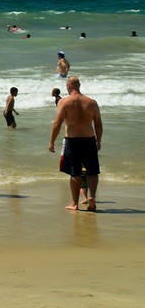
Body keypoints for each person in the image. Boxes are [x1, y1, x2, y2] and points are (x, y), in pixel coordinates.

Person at [49, 76, 103, 212]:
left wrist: (52, 142)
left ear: (68, 87)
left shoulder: (64, 102)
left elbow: (57, 123)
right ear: (79, 86)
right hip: (89, 139)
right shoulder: (91, 102)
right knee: (92, 172)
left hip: (72, 141)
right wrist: (99, 140)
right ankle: (93, 197)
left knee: (75, 174)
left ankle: (74, 203)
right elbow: (98, 123)